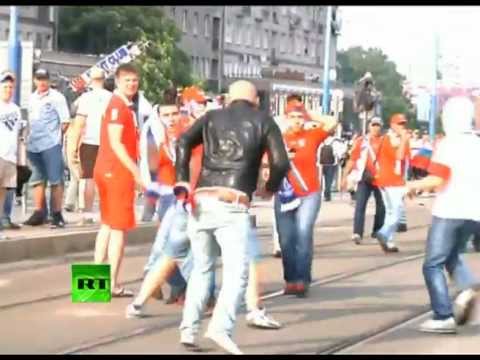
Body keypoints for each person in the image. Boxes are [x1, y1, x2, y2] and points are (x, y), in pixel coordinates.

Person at [176, 80, 289, 354]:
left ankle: (188, 330)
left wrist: (182, 182)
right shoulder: (264, 121)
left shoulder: (211, 117)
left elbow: (182, 142)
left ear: (227, 98)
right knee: (236, 274)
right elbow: (281, 162)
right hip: (232, 203)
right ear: (256, 101)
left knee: (202, 269)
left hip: (201, 200)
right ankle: (220, 327)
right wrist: (269, 188)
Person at [407, 96, 478, 334]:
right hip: (474, 213)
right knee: (451, 256)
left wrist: (411, 186)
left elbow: (438, 178)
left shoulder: (449, 144)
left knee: (432, 264)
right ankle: (467, 287)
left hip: (449, 210)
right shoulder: (476, 144)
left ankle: (443, 315)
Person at [274, 99, 338, 298]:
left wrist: (309, 112)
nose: (297, 121)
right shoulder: (277, 139)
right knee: (286, 239)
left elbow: (332, 122)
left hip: (309, 192)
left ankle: (302, 280)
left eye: (299, 117)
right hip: (284, 194)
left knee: (303, 233)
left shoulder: (312, 135)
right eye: (293, 117)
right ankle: (290, 279)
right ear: (286, 118)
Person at [93, 63, 145, 297]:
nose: (132, 84)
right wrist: (136, 171)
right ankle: (111, 284)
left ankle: (94, 284)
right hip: (117, 173)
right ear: (117, 81)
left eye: (135, 80)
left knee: (106, 225)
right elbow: (116, 142)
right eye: (128, 81)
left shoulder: (123, 105)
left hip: (107, 170)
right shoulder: (118, 107)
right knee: (118, 229)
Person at [24, 69, 70, 228]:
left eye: (44, 79)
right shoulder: (31, 98)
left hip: (51, 145)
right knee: (37, 179)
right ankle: (39, 212)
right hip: (34, 145)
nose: (42, 82)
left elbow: (65, 122)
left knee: (55, 180)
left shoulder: (57, 98)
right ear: (34, 80)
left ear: (49, 80)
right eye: (39, 79)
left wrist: (55, 138)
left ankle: (56, 214)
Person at [68, 67, 112, 225]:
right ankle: (106, 213)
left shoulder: (86, 98)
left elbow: (79, 123)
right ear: (104, 79)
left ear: (91, 80)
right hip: (108, 142)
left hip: (89, 141)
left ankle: (87, 214)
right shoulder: (112, 97)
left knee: (88, 179)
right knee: (106, 179)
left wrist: (72, 147)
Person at [341, 116, 385, 244]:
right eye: (373, 125)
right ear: (369, 126)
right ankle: (357, 232)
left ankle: (377, 230)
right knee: (360, 205)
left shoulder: (385, 141)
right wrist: (344, 176)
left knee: (381, 206)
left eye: (378, 125)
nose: (375, 128)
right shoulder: (361, 141)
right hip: (364, 177)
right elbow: (353, 159)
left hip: (380, 177)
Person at [374, 113, 411, 253]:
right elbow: (399, 156)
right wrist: (404, 140)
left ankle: (389, 241)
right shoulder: (389, 139)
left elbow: (406, 162)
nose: (402, 127)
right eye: (399, 124)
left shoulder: (400, 139)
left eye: (403, 124)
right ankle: (383, 233)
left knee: (391, 211)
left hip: (396, 180)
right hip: (390, 180)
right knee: (396, 211)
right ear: (392, 125)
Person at [0, 71, 22, 239]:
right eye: (5, 87)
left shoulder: (16, 109)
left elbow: (18, 134)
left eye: (10, 87)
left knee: (3, 192)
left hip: (10, 156)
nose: (8, 90)